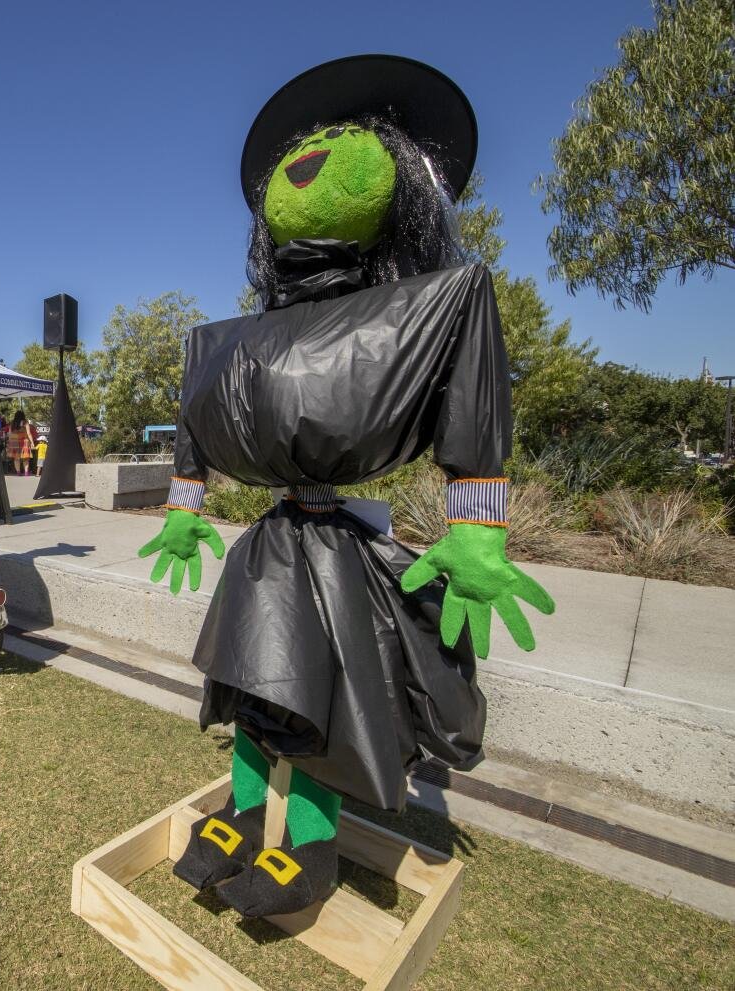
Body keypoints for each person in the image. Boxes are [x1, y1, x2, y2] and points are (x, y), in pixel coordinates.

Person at [143, 55, 555, 918]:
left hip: (332, 548)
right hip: (271, 544)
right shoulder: (225, 342)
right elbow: (196, 399)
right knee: (256, 688)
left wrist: (477, 524)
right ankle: (243, 814)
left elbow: (472, 381)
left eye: (344, 138)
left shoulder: (432, 304)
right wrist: (185, 506)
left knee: (318, 702)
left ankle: (310, 841)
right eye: (314, 139)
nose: (318, 152)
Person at [8, 410, 35, 476]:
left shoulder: (12, 422)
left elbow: (10, 433)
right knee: (25, 458)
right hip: (24, 441)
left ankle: (18, 472)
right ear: (23, 415)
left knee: (16, 458)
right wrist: (32, 442)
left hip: (14, 441)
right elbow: (28, 433)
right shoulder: (25, 422)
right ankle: (26, 473)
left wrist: (10, 442)